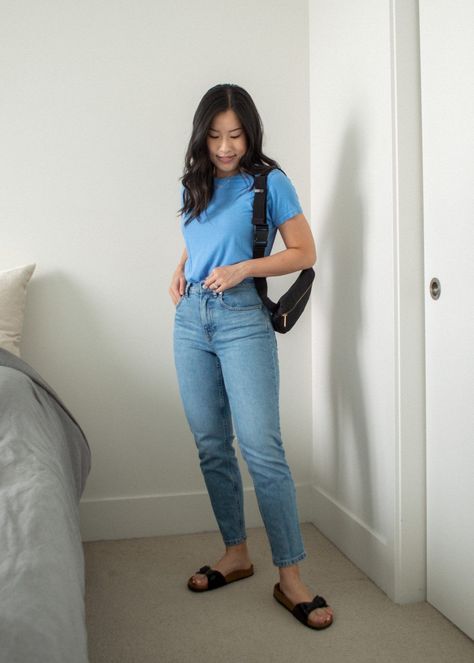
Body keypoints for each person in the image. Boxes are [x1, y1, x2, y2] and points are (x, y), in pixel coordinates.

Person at [169, 83, 334, 630]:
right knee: (211, 443)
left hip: (242, 318)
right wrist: (182, 270)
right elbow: (202, 237)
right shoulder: (197, 180)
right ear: (202, 136)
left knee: (263, 449)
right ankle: (236, 552)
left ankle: (290, 577)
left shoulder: (269, 182)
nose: (224, 146)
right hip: (192, 320)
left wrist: (243, 269)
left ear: (250, 133)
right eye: (214, 135)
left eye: (235, 135)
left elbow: (304, 252)